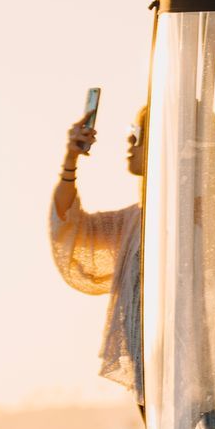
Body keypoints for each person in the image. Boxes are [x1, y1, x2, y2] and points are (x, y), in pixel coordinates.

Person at [50, 104, 147, 401]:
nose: (130, 140)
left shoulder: (195, 212)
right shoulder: (133, 221)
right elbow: (70, 225)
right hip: (147, 370)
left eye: (139, 133)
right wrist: (70, 160)